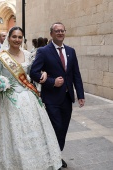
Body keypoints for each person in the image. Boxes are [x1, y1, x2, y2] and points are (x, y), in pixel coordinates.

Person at [0, 27, 62, 170]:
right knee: (11, 131)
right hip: (8, 99)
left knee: (32, 129)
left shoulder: (28, 54)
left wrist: (43, 73)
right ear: (9, 38)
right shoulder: (1, 57)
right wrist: (0, 84)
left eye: (20, 37)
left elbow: (34, 72)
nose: (17, 40)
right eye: (14, 37)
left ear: (22, 39)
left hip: (27, 95)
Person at [30, 22, 85, 168]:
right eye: (57, 31)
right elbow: (34, 73)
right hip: (51, 98)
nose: (60, 33)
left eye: (62, 30)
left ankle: (57, 155)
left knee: (63, 128)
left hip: (67, 98)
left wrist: (80, 94)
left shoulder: (71, 51)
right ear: (51, 34)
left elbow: (76, 74)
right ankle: (52, 157)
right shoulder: (43, 51)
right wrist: (52, 82)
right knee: (56, 127)